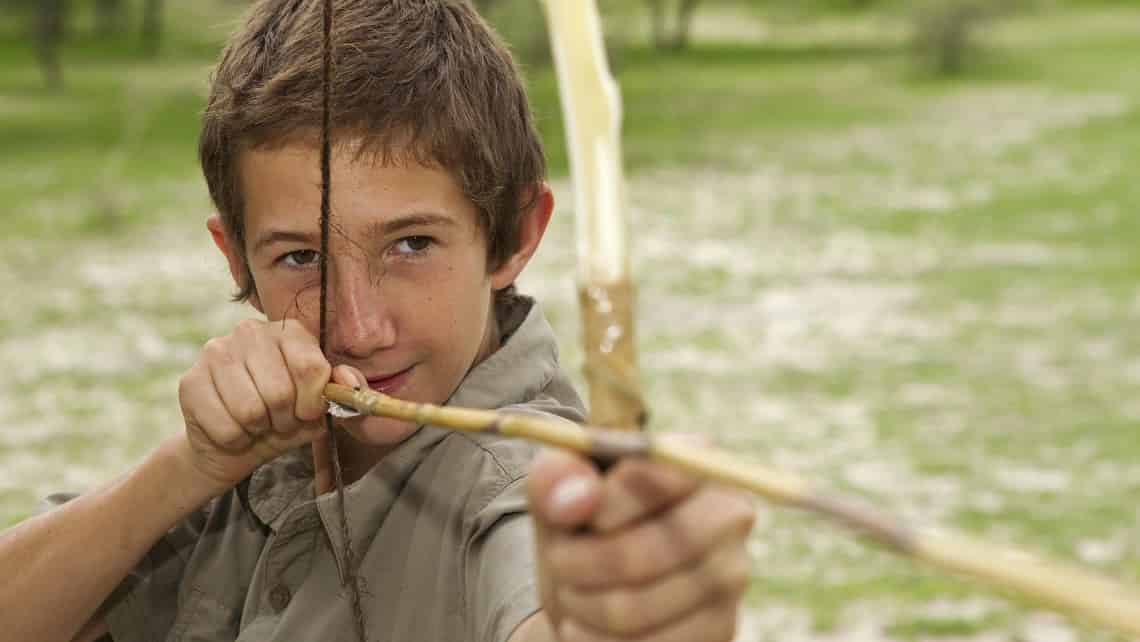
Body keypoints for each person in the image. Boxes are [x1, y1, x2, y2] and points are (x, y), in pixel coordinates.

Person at [0, 1, 756, 641]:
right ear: (236, 261)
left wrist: (621, 611)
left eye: (411, 244)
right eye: (300, 258)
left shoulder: (515, 484)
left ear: (515, 236)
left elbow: (548, 590)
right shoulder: (255, 459)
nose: (358, 329)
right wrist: (187, 470)